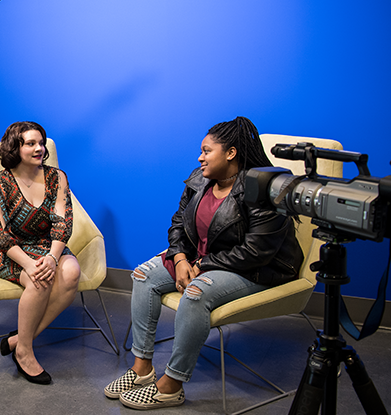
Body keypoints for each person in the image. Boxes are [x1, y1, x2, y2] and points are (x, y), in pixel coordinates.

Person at [104, 116, 303, 410]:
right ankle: (142, 368)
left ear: (231, 153)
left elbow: (257, 251)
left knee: (196, 295)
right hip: (202, 259)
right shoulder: (200, 179)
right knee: (143, 276)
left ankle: (172, 385)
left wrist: (202, 266)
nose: (200, 157)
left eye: (207, 150)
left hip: (257, 269)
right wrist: (181, 257)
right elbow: (178, 224)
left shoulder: (264, 188)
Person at [0, 121, 81, 385]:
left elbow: (63, 222)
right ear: (15, 146)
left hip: (48, 246)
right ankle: (25, 353)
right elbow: (0, 234)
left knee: (71, 271)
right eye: (31, 143)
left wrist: (51, 257)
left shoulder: (57, 178)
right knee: (40, 280)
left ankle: (20, 339)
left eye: (41, 142)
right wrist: (29, 265)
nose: (40, 148)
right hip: (12, 251)